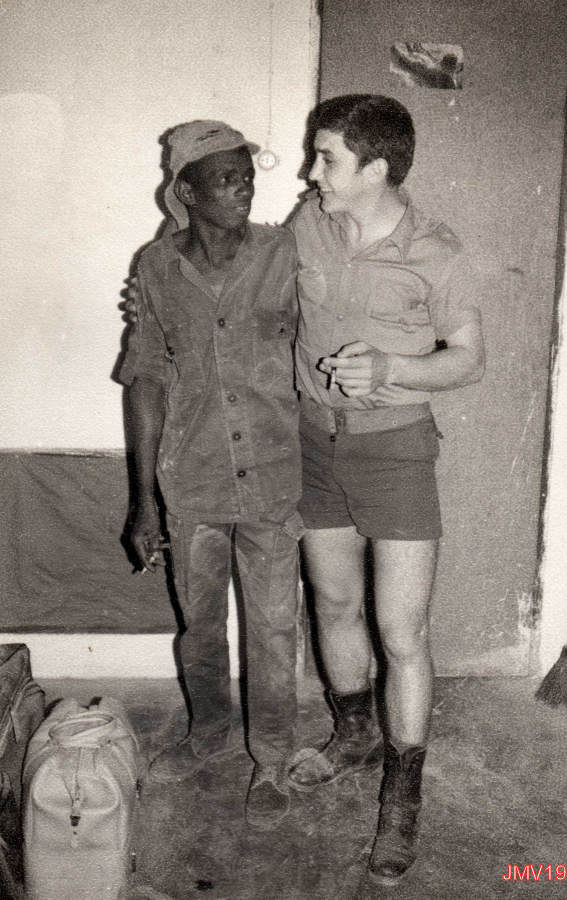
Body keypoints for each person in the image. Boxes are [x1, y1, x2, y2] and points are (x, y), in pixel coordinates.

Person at [286, 94, 485, 886]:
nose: (311, 171)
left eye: (326, 158)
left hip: (395, 447)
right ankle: (354, 734)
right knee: (333, 604)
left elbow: (467, 358)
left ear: (374, 168)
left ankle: (402, 798)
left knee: (401, 632)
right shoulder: (308, 221)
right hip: (311, 443)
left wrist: (393, 366)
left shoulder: (436, 249)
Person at [118, 120, 303, 831]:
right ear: (186, 192)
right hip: (192, 481)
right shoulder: (156, 267)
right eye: (226, 178)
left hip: (273, 479)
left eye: (247, 176)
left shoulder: (283, 252)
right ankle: (209, 732)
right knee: (200, 625)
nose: (243, 188)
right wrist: (142, 501)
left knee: (274, 629)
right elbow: (145, 379)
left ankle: (273, 758)